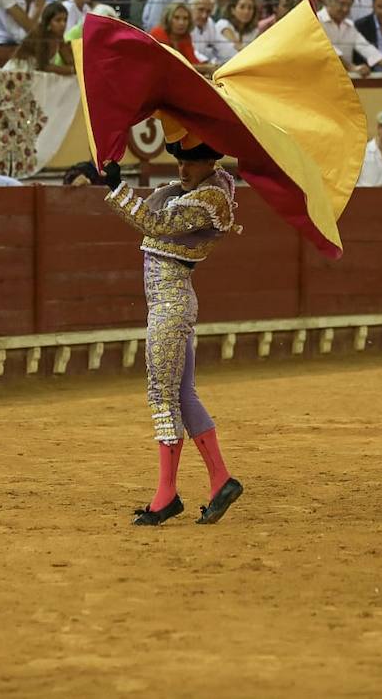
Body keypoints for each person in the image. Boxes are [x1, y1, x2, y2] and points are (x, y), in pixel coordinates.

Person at [100, 141, 243, 526]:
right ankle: (221, 480)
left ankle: (166, 496)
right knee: (182, 393)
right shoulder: (199, 192)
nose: (182, 170)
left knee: (162, 396)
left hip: (169, 306)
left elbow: (155, 222)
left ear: (211, 162)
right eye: (179, 161)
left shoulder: (210, 200)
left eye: (191, 163)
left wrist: (116, 187)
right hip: (172, 303)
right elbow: (157, 204)